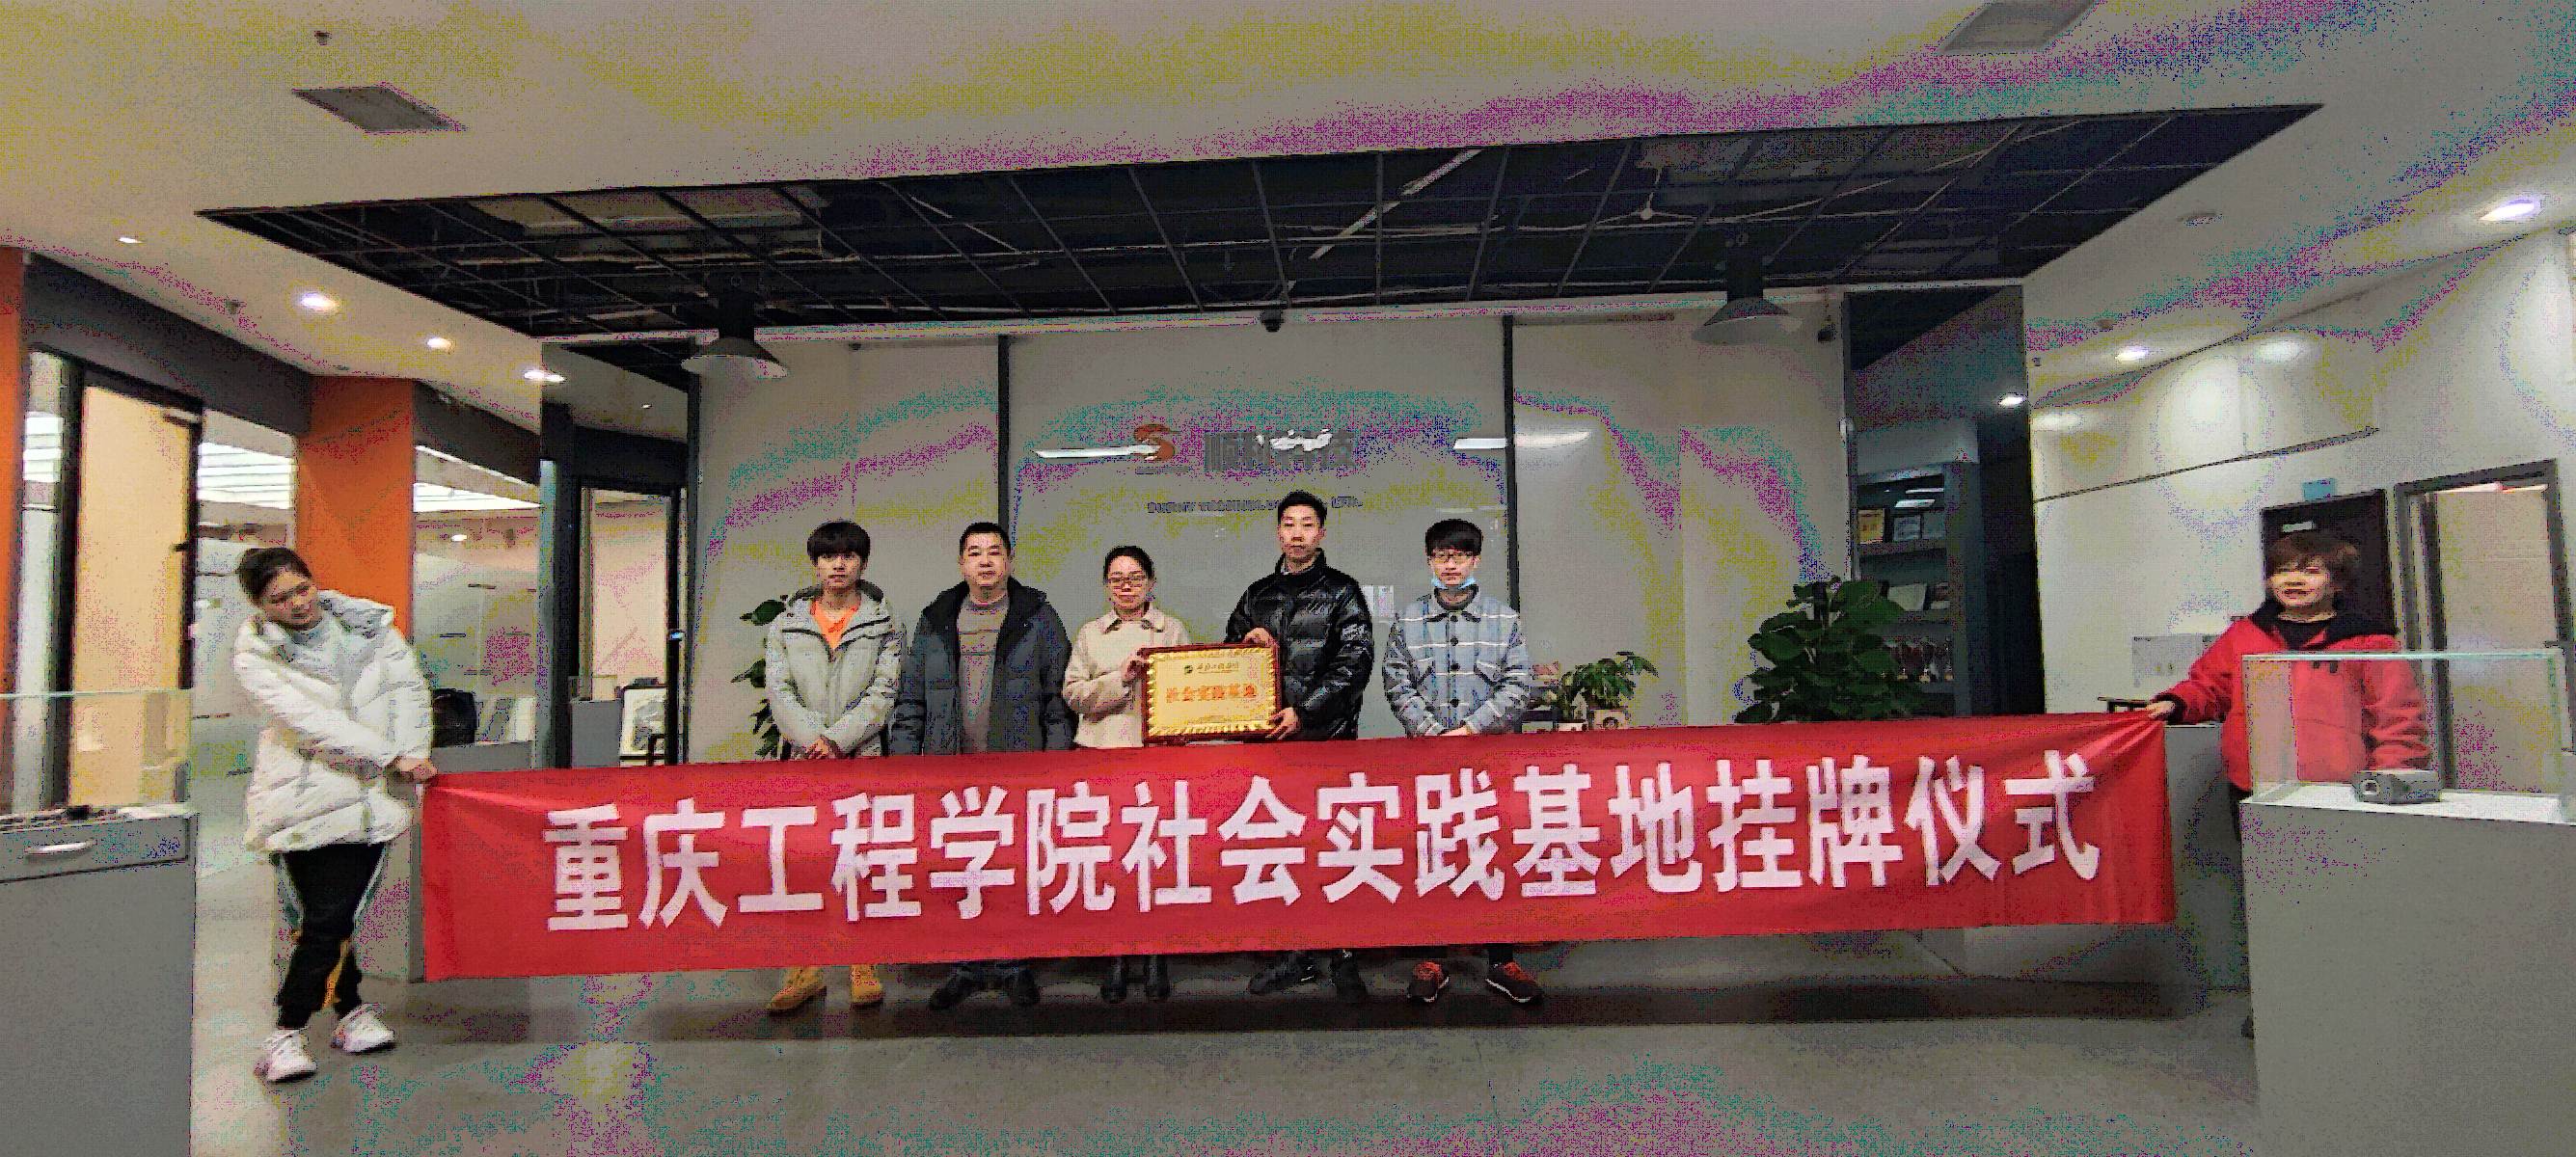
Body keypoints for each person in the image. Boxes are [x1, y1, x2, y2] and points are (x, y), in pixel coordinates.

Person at [2146, 529, 2427, 1038]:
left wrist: (2393, 777)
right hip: (2255, 791)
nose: (2293, 580)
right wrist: (2176, 702)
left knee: (2341, 902)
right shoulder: (2245, 634)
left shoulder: (2368, 640)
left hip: (2337, 793)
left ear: (2337, 582)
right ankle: (2278, 1004)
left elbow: (2397, 717)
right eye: (2283, 571)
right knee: (2269, 903)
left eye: (2311, 570)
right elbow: (2209, 686)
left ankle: (2347, 1003)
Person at [229, 548, 438, 1084]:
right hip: (304, 798)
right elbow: (308, 722)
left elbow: (409, 692)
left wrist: (411, 755)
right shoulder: (256, 657)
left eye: (302, 588)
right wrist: (389, 756)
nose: (298, 604)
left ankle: (349, 1012)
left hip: (373, 795)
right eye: (280, 599)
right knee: (324, 920)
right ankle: (286, 1032)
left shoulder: (372, 629)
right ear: (259, 606)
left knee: (340, 916)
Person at [889, 521, 1077, 1009]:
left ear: (1009, 561)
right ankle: (965, 965)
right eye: (975, 553)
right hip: (950, 770)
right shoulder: (936, 619)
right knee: (959, 869)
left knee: (1014, 871)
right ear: (962, 564)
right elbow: (912, 699)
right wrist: (902, 768)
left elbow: (1057, 700)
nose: (986, 561)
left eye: (995, 551)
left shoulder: (1037, 617)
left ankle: (1015, 965)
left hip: (1018, 769)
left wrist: (1056, 766)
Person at [1379, 519, 1546, 1006]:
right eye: (1440, 556)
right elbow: (1396, 682)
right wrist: (1433, 735)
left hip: (1489, 761)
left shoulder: (1504, 620)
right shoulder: (1408, 621)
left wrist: (1470, 731)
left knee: (1495, 852)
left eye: (1459, 555)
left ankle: (1501, 959)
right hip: (1427, 762)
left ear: (1476, 560)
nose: (1449, 565)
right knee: (1430, 852)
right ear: (1429, 560)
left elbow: (1519, 684)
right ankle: (1432, 959)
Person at [1226, 490, 1377, 1002]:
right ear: (1278, 533)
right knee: (1285, 849)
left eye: (1307, 524)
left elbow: (1354, 665)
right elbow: (1227, 659)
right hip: (1270, 746)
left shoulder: (1343, 592)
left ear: (1322, 533)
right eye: (1288, 524)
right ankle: (1295, 955)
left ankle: (1344, 954)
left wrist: (1305, 712)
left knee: (1337, 849)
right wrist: (1245, 642)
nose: (1297, 533)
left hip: (1327, 741)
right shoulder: (1257, 594)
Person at [761, 521, 904, 1015]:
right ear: (815, 565)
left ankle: (863, 964)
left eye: (847, 556)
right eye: (828, 557)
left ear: (862, 563)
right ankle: (804, 969)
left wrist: (838, 740)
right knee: (803, 862)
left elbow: (884, 690)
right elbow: (778, 690)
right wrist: (811, 740)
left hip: (859, 757)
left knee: (859, 860)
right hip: (803, 760)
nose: (838, 565)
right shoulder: (786, 624)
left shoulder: (883, 623)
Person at [1062, 545, 1193, 1003]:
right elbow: (1073, 695)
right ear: (1105, 586)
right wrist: (1121, 678)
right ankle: (1115, 954)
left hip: (1157, 761)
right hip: (1103, 760)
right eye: (1117, 579)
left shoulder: (1172, 630)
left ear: (1151, 583)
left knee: (1155, 860)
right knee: (1113, 861)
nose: (1126, 587)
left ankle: (1156, 954)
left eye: (1135, 578)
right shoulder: (1090, 634)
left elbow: (1191, 692)